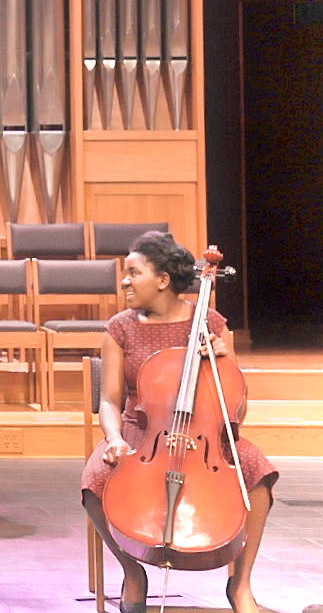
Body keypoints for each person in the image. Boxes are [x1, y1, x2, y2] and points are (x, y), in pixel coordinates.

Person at [82, 231, 276, 613]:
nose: (125, 281)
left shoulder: (212, 324)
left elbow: (236, 408)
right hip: (143, 433)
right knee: (94, 480)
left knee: (257, 471)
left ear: (163, 281)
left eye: (133, 273)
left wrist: (223, 362)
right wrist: (114, 438)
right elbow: (109, 400)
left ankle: (241, 585)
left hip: (206, 436)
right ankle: (133, 573)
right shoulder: (120, 328)